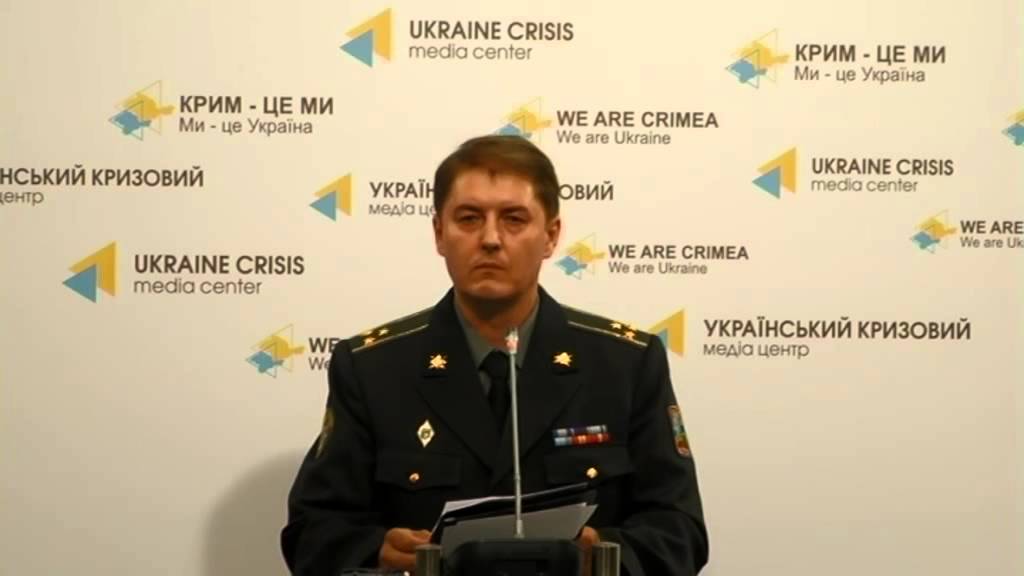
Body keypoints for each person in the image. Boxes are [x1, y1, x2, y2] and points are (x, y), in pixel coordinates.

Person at [281, 135, 708, 575]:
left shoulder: (625, 364)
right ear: (439, 233)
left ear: (551, 236)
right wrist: (380, 551)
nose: (490, 239)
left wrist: (598, 551)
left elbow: (680, 531)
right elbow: (314, 531)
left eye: (513, 219)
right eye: (469, 218)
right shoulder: (374, 369)